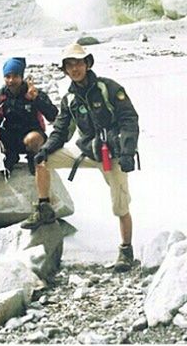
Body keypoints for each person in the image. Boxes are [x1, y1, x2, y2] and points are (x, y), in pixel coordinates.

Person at [23, 43, 139, 272]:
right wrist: (46, 148)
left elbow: (129, 120)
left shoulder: (109, 88)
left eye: (78, 63)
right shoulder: (70, 100)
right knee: (42, 159)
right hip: (87, 152)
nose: (75, 68)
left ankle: (126, 250)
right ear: (65, 70)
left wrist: (127, 152)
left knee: (120, 206)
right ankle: (44, 207)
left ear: (87, 64)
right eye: (69, 65)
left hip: (114, 155)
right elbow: (61, 130)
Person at [0, 57, 58, 175]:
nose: (11, 80)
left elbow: (53, 116)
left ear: (21, 77)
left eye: (15, 76)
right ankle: (10, 156)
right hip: (10, 135)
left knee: (33, 139)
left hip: (33, 136)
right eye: (7, 77)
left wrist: (37, 99)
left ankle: (33, 159)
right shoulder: (1, 94)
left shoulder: (32, 91)